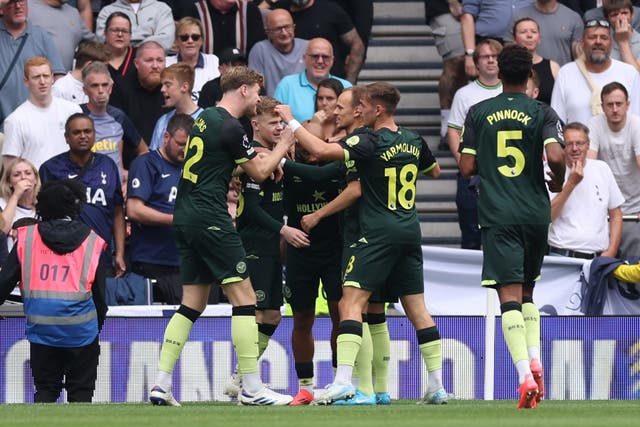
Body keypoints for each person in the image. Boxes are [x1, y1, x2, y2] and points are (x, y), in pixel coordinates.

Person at [275, 81, 446, 405]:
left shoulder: (368, 140)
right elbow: (435, 171)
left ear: (376, 109)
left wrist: (291, 120)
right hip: (409, 230)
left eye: (362, 105)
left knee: (349, 305)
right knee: (417, 309)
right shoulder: (412, 139)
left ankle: (342, 381)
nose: (357, 111)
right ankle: (436, 385)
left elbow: (323, 152)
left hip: (375, 233)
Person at [149, 66, 296, 407]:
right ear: (243, 89)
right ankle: (252, 388)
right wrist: (284, 144)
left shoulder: (204, 119)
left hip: (184, 216)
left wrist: (258, 159)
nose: (259, 98)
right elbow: (258, 170)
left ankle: (161, 383)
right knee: (246, 301)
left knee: (192, 303)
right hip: (209, 217)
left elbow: (218, 162)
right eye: (257, 92)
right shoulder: (231, 125)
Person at [458, 44, 566, 409]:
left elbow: (467, 168)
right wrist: (560, 180)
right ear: (530, 76)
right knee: (529, 292)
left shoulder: (478, 112)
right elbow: (555, 155)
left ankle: (523, 375)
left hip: (500, 213)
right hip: (536, 213)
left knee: (509, 297)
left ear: (499, 74)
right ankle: (535, 358)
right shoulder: (543, 111)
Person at [223, 96, 311, 397]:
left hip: (270, 245)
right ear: (255, 124)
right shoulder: (257, 159)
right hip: (255, 243)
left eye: (281, 122)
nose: (279, 127)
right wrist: (284, 229)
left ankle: (241, 378)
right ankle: (245, 381)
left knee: (272, 314)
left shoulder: (272, 156)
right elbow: (251, 211)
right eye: (272, 122)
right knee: (258, 312)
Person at [0, 179, 109, 403]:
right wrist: (93, 330)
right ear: (75, 206)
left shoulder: (26, 238)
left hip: (43, 333)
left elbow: (3, 284)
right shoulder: (93, 241)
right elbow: (100, 298)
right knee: (81, 395)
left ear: (41, 207)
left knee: (46, 392)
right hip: (82, 333)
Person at [39, 113, 126, 279]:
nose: (83, 136)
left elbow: (117, 211)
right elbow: (43, 217)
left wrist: (119, 253)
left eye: (87, 131)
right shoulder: (50, 168)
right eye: (77, 132)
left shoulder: (108, 165)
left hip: (102, 254)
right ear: (66, 137)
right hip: (63, 257)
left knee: (101, 303)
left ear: (94, 134)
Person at [127, 114, 193, 305]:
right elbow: (134, 210)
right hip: (152, 260)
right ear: (166, 137)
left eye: (190, 145)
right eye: (181, 144)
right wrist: (176, 219)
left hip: (187, 259)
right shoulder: (145, 163)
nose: (185, 150)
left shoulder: (194, 167)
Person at [448, 38, 503, 249]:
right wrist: (463, 163)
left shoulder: (510, 91)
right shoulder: (464, 94)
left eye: (495, 56)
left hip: (504, 174)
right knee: (471, 235)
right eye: (485, 57)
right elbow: (454, 130)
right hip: (473, 175)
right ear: (476, 62)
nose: (490, 61)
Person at [548, 122, 624, 259]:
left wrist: (612, 250)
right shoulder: (548, 171)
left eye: (580, 143)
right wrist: (571, 184)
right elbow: (546, 217)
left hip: (597, 259)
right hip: (561, 256)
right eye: (569, 144)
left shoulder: (602, 168)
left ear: (588, 145)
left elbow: (616, 215)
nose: (575, 148)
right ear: (561, 147)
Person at [551, 19, 640, 126]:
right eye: (592, 37)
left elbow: (637, 119)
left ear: (611, 43)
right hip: (576, 142)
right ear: (582, 43)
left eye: (604, 38)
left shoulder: (629, 73)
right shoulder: (565, 73)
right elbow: (556, 122)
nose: (598, 42)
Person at [587, 81, 640, 259]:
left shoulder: (636, 125)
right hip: (607, 208)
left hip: (635, 207)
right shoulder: (595, 124)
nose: (615, 109)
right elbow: (589, 166)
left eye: (619, 104)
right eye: (610, 104)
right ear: (602, 107)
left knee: (633, 266)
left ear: (628, 105)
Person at [2, 56, 82, 170]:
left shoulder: (73, 110)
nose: (42, 82)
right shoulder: (15, 120)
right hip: (36, 185)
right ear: (26, 82)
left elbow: (85, 150)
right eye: (36, 77)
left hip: (71, 182)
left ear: (52, 78)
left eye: (46, 76)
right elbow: (10, 168)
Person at [80, 61, 148, 184]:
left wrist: (133, 177)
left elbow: (144, 151)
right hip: (87, 187)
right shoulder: (77, 115)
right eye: (94, 86)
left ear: (110, 88)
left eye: (105, 85)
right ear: (85, 90)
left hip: (115, 190)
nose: (100, 90)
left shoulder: (118, 116)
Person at [0, 0, 65, 128]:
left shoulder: (41, 36)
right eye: (11, 2)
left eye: (21, 1)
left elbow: (58, 81)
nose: (18, 6)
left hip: (35, 123)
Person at [109, 40, 167, 166]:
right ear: (136, 63)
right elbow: (114, 129)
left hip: (166, 162)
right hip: (129, 164)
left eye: (160, 60)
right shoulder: (119, 87)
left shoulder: (171, 89)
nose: (155, 66)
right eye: (149, 60)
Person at [285, 0, 365, 83]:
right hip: (295, 86)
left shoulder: (330, 10)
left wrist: (350, 81)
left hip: (333, 86)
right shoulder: (279, 11)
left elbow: (357, 44)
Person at [274, 37, 351, 123]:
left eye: (325, 57)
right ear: (304, 58)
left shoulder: (346, 86)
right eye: (315, 56)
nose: (320, 61)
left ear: (332, 60)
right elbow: (275, 121)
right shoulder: (287, 85)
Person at [426, 0, 468, 150]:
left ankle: (461, 121)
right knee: (456, 61)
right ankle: (447, 127)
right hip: (445, 7)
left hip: (484, 6)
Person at [248, 8, 308, 96]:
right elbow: (255, 86)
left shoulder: (307, 47)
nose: (284, 33)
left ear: (294, 27)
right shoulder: (259, 50)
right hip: (271, 105)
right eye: (278, 29)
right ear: (268, 32)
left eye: (287, 27)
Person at [173, 0, 266, 56]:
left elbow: (257, 50)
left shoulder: (250, 11)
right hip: (204, 74)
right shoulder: (194, 10)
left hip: (241, 75)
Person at [504, 0, 583, 66]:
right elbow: (509, 51)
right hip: (525, 78)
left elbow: (580, 56)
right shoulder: (519, 16)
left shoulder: (572, 17)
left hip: (561, 78)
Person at [28, 0, 96, 72]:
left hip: (63, 79)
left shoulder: (73, 13)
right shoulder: (25, 8)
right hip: (31, 78)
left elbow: (93, 45)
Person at [149, 63, 204, 151]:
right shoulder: (162, 121)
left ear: (184, 87)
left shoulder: (205, 120)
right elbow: (153, 159)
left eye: (168, 85)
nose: (162, 89)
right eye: (162, 85)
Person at [165, 17, 220, 103]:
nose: (190, 41)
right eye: (184, 37)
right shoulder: (166, 64)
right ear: (176, 41)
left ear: (202, 40)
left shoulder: (213, 61)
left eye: (195, 37)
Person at [511, 17, 559, 105]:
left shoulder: (553, 67)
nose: (529, 35)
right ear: (514, 39)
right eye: (523, 32)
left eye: (534, 32)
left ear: (539, 38)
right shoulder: (507, 67)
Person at [96, 0, 175, 52]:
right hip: (117, 61)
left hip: (153, 62)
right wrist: (149, 38)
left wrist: (127, 43)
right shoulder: (107, 11)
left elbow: (166, 41)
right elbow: (102, 39)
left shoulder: (162, 9)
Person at [0, 157, 40, 251]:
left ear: (35, 179)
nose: (23, 177)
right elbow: (2, 230)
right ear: (9, 182)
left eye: (28, 173)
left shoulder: (43, 205)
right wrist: (16, 195)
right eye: (17, 175)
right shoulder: (2, 203)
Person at [603, 0, 640, 71]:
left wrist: (623, 42)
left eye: (624, 13)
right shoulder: (601, 40)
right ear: (607, 19)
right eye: (614, 15)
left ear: (632, 15)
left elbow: (637, 76)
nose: (620, 18)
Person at [102, 11, 137, 81]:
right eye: (115, 30)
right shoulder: (94, 56)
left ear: (130, 35)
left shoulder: (139, 56)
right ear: (105, 33)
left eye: (125, 31)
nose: (120, 34)